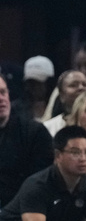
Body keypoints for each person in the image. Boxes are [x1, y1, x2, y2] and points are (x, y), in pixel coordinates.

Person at [0, 74, 53, 209]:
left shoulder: (34, 132)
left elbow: (40, 184)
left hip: (21, 213)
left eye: (3, 92)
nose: (2, 99)